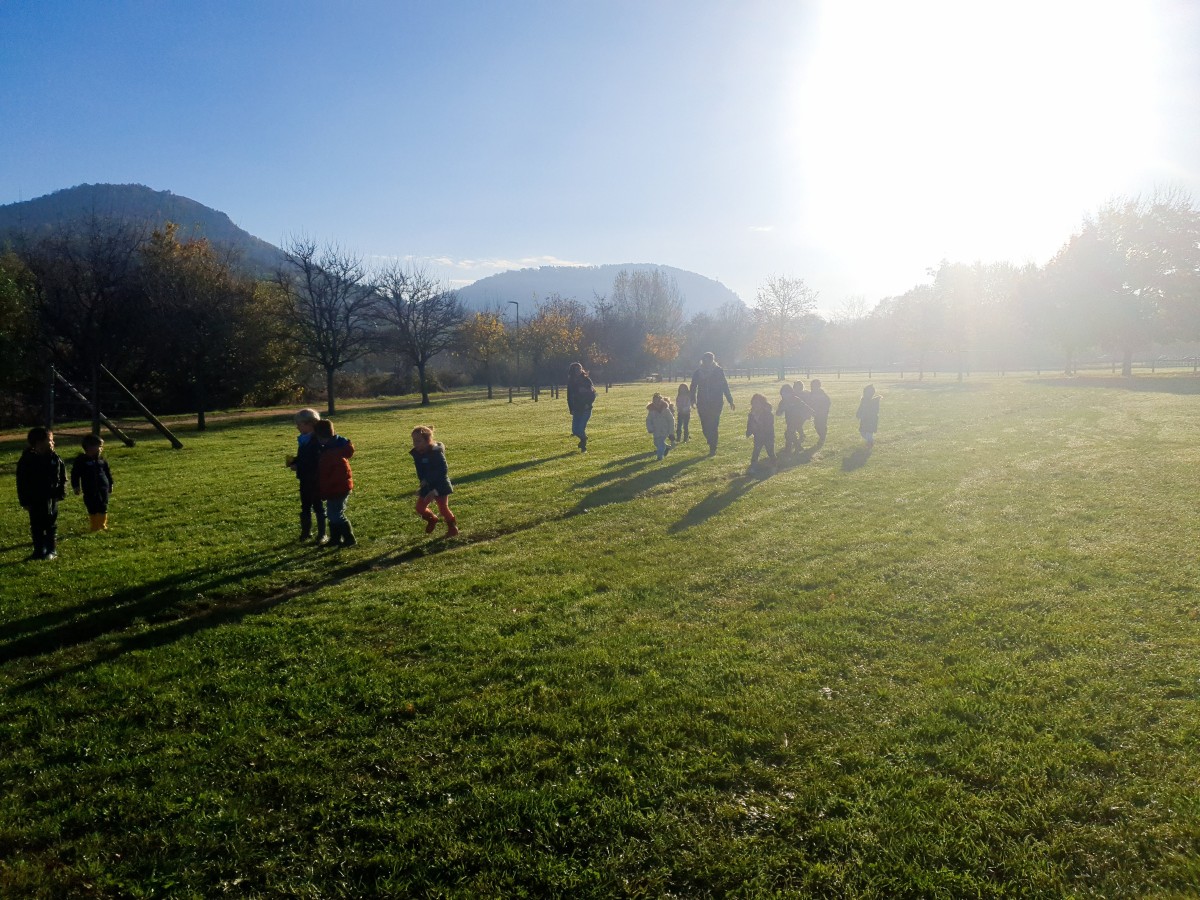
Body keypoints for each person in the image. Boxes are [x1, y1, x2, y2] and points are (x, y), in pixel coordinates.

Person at [16, 426, 67, 560]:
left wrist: (61, 492)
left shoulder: (55, 458)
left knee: (50, 523)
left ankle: (51, 549)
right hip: (34, 498)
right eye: (50, 440)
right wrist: (24, 501)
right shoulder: (27, 460)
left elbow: (62, 476)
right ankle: (39, 550)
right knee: (36, 525)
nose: (53, 443)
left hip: (51, 497)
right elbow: (21, 482)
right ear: (39, 443)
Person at [410, 425, 459, 537]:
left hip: (440, 485)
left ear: (428, 440)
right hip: (427, 485)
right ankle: (432, 519)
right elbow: (422, 471)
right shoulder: (418, 454)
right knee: (420, 508)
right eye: (413, 441)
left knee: (443, 509)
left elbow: (442, 471)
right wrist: (423, 483)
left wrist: (434, 491)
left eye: (418, 441)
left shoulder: (436, 453)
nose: (415, 444)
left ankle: (453, 528)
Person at [314, 419, 356, 547]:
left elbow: (332, 477)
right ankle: (335, 539)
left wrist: (325, 491)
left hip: (338, 489)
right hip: (338, 488)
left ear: (322, 437)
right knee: (333, 513)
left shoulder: (331, 454)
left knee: (336, 514)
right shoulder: (335, 447)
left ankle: (349, 539)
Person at [288, 408, 327, 544]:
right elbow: (303, 457)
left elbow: (315, 461)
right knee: (305, 506)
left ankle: (322, 534)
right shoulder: (303, 439)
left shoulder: (317, 441)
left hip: (315, 479)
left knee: (318, 506)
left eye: (299, 424)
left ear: (309, 424)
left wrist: (299, 466)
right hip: (304, 479)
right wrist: (295, 461)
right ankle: (306, 532)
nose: (297, 427)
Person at [690, 351, 735, 457]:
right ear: (703, 360)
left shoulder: (718, 371)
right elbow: (693, 387)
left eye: (709, 360)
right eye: (705, 360)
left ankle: (713, 448)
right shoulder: (698, 373)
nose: (707, 362)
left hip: (716, 402)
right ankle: (711, 440)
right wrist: (692, 400)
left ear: (712, 360)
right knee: (705, 426)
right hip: (702, 402)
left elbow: (724, 386)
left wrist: (730, 400)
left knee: (713, 425)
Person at [70, 434, 114, 532]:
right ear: (89, 447)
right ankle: (94, 525)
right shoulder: (81, 460)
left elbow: (108, 473)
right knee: (92, 506)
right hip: (89, 488)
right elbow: (75, 474)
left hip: (103, 487)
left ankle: (102, 525)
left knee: (103, 505)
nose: (101, 449)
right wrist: (76, 486)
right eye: (99, 446)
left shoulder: (102, 460)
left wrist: (110, 484)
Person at [566, 362, 597, 453]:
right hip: (576, 408)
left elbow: (593, 394)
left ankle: (583, 447)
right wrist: (571, 409)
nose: (578, 371)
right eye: (576, 369)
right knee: (575, 430)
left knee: (580, 429)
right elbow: (569, 397)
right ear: (572, 371)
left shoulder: (586, 380)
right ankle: (584, 439)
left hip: (586, 408)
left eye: (579, 368)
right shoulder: (571, 382)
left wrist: (588, 403)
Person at [745, 393, 777, 469]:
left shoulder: (768, 414)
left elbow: (768, 425)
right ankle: (753, 467)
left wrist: (758, 421)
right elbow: (749, 424)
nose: (755, 405)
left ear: (762, 404)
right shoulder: (751, 414)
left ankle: (774, 463)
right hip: (758, 437)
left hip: (768, 436)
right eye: (753, 403)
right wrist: (748, 432)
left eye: (757, 403)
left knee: (770, 451)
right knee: (755, 452)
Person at [775, 384, 805, 455]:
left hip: (798, 419)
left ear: (791, 393)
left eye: (786, 394)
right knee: (790, 434)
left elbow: (804, 406)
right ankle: (798, 447)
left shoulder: (795, 399)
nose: (784, 396)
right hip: (789, 421)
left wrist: (811, 412)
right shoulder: (783, 402)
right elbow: (778, 413)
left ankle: (788, 449)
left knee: (789, 433)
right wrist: (780, 410)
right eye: (783, 394)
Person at [645, 393, 676, 461]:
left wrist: (671, 431)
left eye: (658, 401)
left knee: (661, 443)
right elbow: (648, 420)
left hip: (664, 429)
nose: (656, 403)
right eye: (654, 402)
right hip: (656, 430)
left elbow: (671, 420)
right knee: (656, 443)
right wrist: (650, 428)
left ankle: (660, 456)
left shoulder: (666, 410)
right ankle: (667, 447)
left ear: (661, 401)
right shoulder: (651, 411)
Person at [791, 379, 815, 447]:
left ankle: (800, 436)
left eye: (799, 388)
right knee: (798, 425)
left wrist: (810, 412)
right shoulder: (794, 395)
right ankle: (801, 435)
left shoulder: (806, 394)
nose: (797, 389)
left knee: (798, 425)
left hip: (804, 414)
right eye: (796, 388)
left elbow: (808, 403)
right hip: (796, 414)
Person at [808, 379, 832, 448]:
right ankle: (822, 435)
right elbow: (810, 402)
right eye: (812, 386)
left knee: (822, 425)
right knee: (816, 425)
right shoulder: (812, 393)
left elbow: (828, 402)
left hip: (823, 413)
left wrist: (824, 410)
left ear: (819, 386)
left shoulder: (822, 393)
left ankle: (822, 437)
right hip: (816, 413)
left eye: (814, 386)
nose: (812, 387)